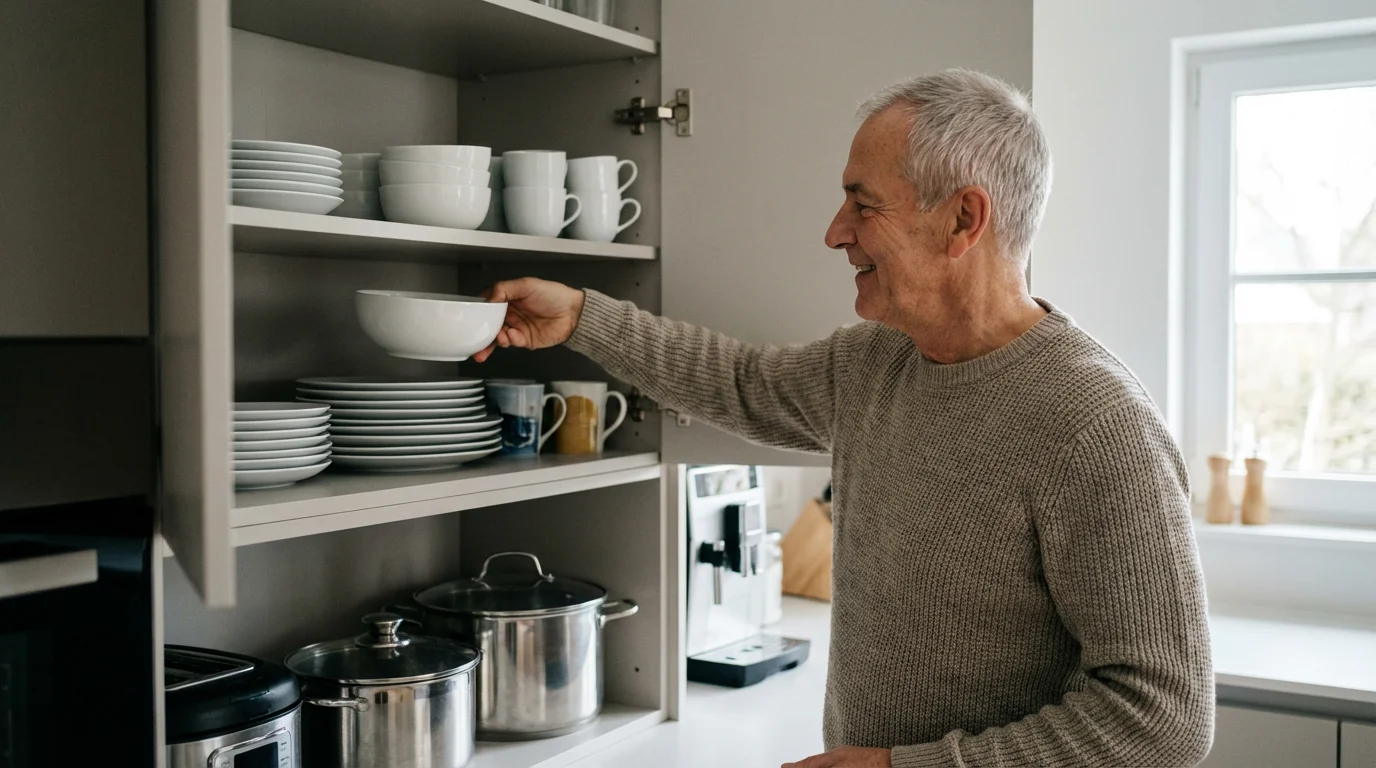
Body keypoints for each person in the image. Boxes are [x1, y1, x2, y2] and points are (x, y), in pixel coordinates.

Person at [474, 69, 1214, 767]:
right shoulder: (878, 362)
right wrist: (581, 317)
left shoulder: (1096, 425)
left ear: (964, 218)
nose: (835, 231)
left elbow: (1162, 718)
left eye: (864, 205)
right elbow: (739, 381)